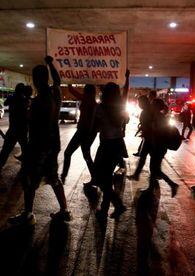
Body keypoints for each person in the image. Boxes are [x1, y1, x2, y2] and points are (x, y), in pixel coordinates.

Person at [8, 56, 71, 226]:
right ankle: (64, 210)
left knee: (28, 179)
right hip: (52, 144)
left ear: (36, 79)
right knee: (53, 177)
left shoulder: (40, 100)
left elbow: (37, 125)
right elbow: (58, 81)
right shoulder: (55, 94)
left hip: (39, 145)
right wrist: (51, 63)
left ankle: (28, 214)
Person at [93, 73, 130, 220]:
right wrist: (127, 78)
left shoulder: (100, 108)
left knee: (101, 177)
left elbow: (95, 128)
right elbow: (125, 92)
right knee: (106, 178)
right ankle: (105, 208)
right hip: (118, 145)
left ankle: (117, 205)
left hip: (106, 145)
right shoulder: (121, 107)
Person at [60, 84, 97, 184]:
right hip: (86, 133)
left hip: (82, 132)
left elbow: (72, 91)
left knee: (68, 153)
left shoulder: (86, 99)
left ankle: (63, 175)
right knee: (86, 156)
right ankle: (95, 178)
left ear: (87, 92)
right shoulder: (94, 103)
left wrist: (70, 82)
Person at [0, 83, 30, 174]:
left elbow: (5, 103)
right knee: (23, 148)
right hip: (21, 128)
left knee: (6, 148)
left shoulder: (15, 98)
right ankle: (26, 166)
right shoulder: (25, 100)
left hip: (15, 128)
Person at [144, 99, 179, 197]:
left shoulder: (160, 117)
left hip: (159, 146)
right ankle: (151, 188)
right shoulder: (159, 116)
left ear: (156, 107)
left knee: (155, 169)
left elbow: (158, 132)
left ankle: (172, 184)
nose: (150, 107)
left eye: (152, 105)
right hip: (158, 146)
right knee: (154, 168)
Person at [128, 95, 152, 180]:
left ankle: (172, 184)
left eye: (139, 102)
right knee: (143, 157)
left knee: (146, 159)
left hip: (151, 138)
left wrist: (142, 129)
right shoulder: (148, 110)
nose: (138, 104)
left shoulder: (146, 112)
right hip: (149, 138)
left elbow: (148, 124)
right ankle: (136, 175)